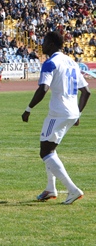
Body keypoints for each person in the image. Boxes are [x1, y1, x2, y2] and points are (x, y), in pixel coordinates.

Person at [22, 31, 89, 204]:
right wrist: (78, 113)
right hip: (71, 112)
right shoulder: (72, 62)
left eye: (44, 42)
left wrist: (28, 109)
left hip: (58, 113)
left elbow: (43, 88)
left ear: (51, 44)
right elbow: (86, 92)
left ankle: (73, 190)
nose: (41, 45)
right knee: (50, 149)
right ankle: (50, 189)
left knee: (45, 151)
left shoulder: (50, 63)